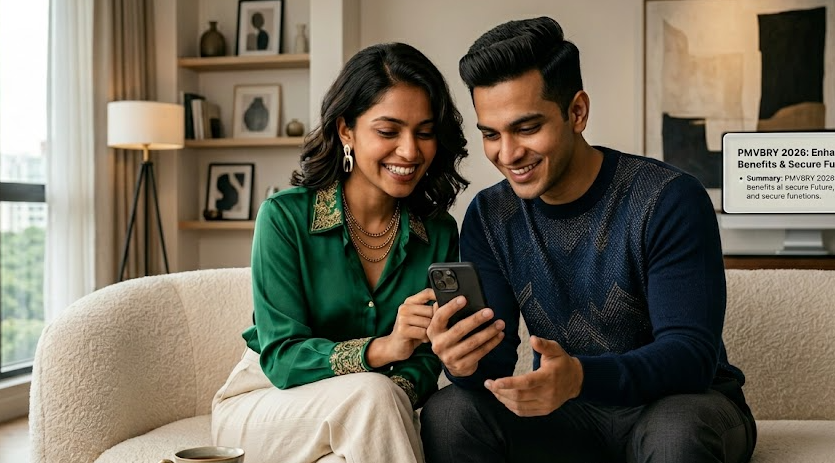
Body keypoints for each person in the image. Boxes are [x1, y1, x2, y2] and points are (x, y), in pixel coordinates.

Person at [420, 17, 756, 463]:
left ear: (577, 112)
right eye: (491, 134)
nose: (508, 153)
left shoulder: (668, 199)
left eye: (526, 128)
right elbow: (494, 366)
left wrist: (578, 377)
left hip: (683, 405)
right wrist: (461, 362)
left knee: (677, 431)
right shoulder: (489, 215)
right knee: (450, 412)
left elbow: (690, 358)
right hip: (570, 416)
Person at [211, 42, 469, 463]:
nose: (410, 151)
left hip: (371, 408)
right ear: (345, 129)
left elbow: (424, 363)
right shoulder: (284, 218)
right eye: (389, 131)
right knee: (372, 396)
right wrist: (382, 350)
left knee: (373, 402)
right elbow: (282, 357)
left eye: (424, 132)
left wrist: (396, 389)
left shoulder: (438, 232)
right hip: (267, 400)